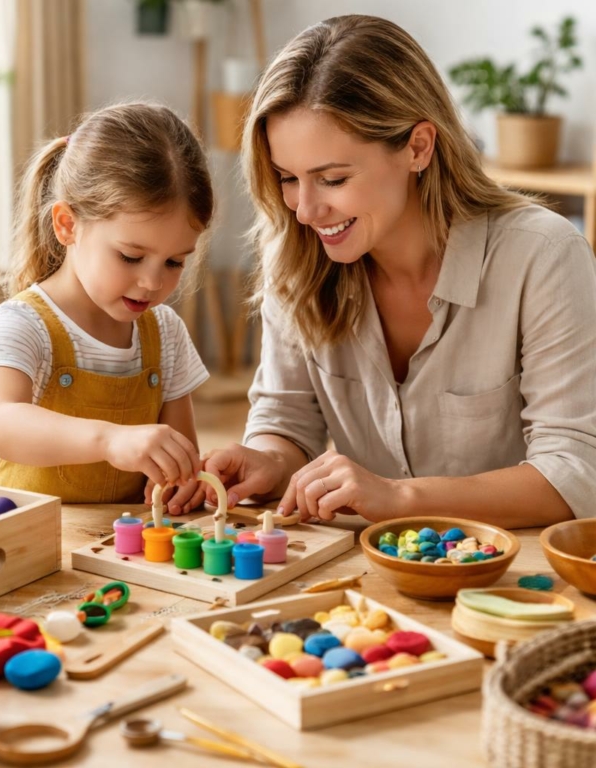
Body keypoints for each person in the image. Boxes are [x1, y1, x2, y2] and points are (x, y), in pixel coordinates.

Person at [203, 15, 596, 528]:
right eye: (287, 178)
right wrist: (270, 461)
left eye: (333, 179)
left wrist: (402, 497)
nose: (305, 210)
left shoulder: (542, 255)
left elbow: (575, 472)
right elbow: (287, 418)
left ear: (418, 147)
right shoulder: (296, 257)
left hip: (515, 568)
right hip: (369, 566)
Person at [0, 102, 214, 508]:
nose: (152, 283)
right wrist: (108, 440)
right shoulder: (22, 323)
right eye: (131, 257)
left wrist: (182, 480)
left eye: (174, 262)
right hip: (30, 539)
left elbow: (179, 459)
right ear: (67, 225)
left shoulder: (165, 333)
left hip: (122, 542)